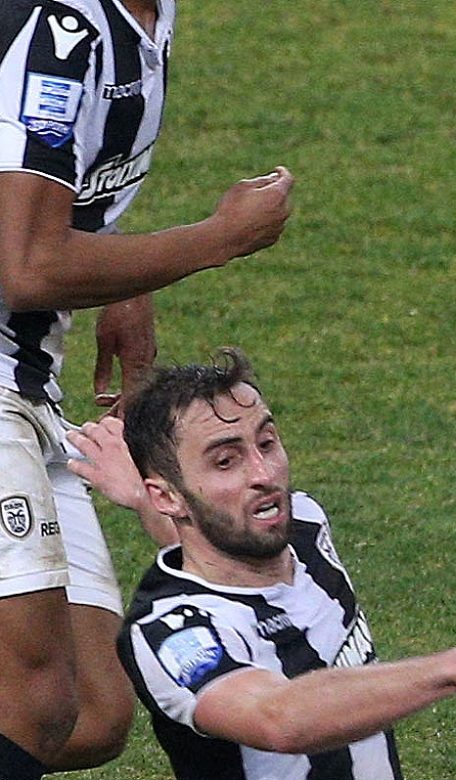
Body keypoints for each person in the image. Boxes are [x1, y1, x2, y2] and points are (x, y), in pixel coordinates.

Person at [0, 1, 294, 776]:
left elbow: (54, 191)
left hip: (28, 378)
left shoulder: (143, 17)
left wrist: (126, 274)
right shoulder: (58, 25)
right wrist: (216, 240)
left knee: (94, 711)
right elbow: (27, 267)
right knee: (34, 703)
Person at [62, 348, 456, 780]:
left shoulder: (303, 526)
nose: (264, 474)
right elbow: (278, 719)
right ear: (169, 496)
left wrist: (144, 498)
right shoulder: (174, 633)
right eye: (226, 461)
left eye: (267, 443)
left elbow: (210, 535)